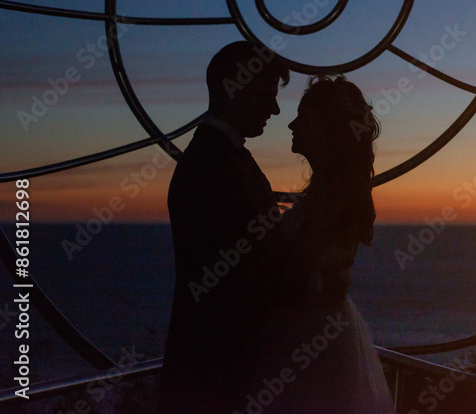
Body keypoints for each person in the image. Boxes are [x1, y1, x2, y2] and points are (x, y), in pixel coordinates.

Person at [158, 41, 306, 412]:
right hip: (216, 364)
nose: (274, 109)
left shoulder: (214, 157)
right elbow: (250, 268)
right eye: (266, 95)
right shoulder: (217, 164)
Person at [262, 74, 394, 412]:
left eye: (304, 117)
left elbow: (292, 273)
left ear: (328, 130)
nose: (292, 123)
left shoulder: (329, 198)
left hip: (307, 339)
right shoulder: (331, 192)